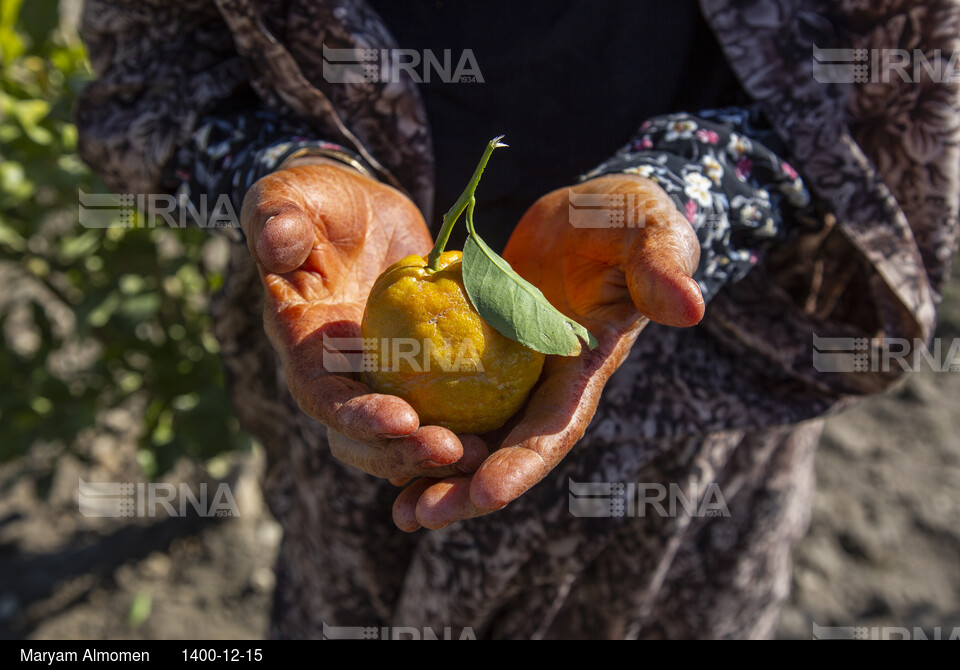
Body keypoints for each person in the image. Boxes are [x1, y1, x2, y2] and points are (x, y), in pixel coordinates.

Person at [75, 0, 958, 639]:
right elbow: (151, 70)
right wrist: (284, 175)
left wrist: (691, 193)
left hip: (688, 405)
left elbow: (883, 97)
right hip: (338, 346)